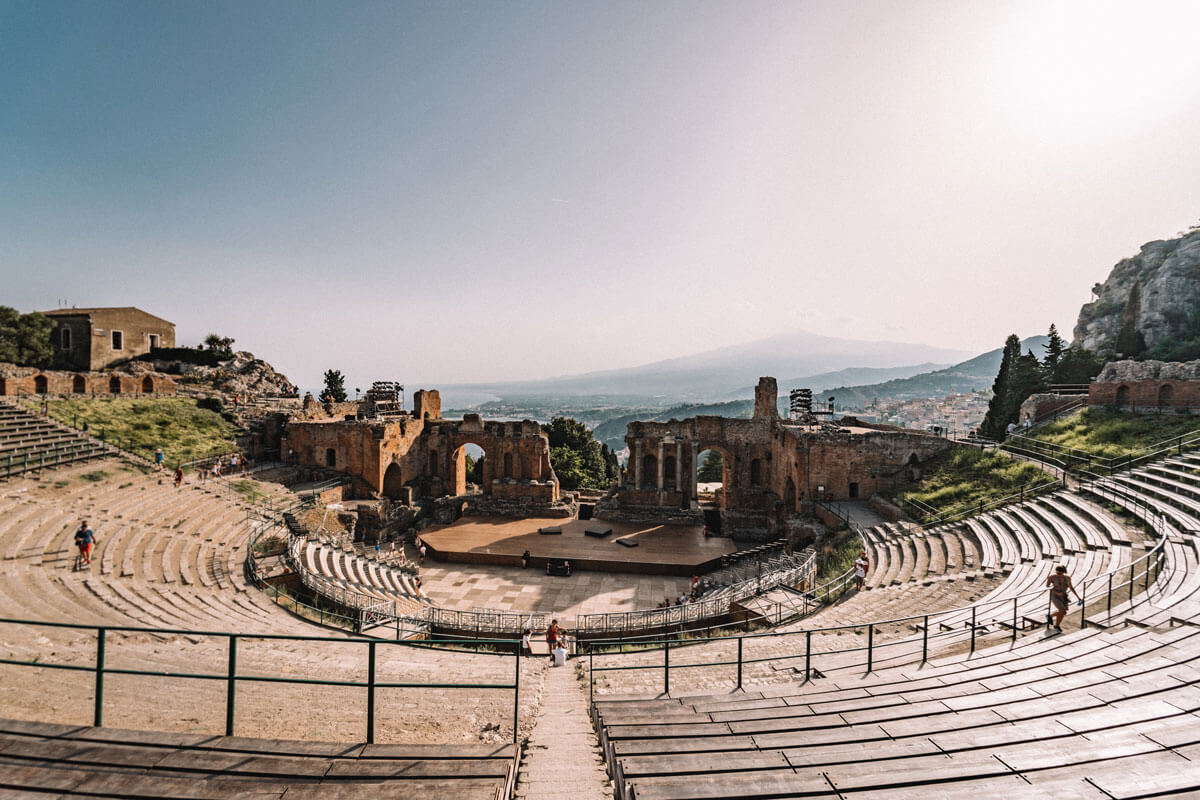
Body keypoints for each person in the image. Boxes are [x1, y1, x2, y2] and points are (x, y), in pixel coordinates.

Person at [1045, 565, 1081, 633]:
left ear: (1063, 572)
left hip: (1063, 596)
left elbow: (1071, 587)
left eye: (1060, 573)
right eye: (1057, 573)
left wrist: (1078, 597)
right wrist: (1056, 592)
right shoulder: (1052, 577)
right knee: (1062, 610)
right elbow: (1047, 586)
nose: (1058, 574)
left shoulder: (1068, 578)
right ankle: (1056, 625)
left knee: (1063, 612)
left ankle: (1051, 618)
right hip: (1055, 595)